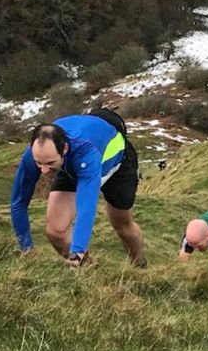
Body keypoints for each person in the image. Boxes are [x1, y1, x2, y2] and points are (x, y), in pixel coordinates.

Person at [10, 109, 146, 268]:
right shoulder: (39, 154)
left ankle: (139, 264)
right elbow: (18, 202)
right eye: (39, 163)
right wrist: (27, 249)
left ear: (65, 148)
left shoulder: (85, 152)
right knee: (56, 231)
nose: (44, 171)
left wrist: (77, 252)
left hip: (116, 164)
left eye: (49, 164)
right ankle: (91, 272)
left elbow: (86, 209)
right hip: (68, 165)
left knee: (122, 224)